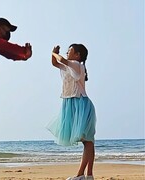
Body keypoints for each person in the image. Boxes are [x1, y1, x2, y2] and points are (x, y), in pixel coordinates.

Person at [47, 44, 96, 180]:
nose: (67, 52)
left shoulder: (76, 64)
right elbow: (55, 63)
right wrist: (53, 54)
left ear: (77, 55)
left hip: (81, 104)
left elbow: (61, 60)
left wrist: (53, 52)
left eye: (70, 50)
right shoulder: (69, 66)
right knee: (88, 141)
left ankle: (83, 175)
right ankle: (88, 175)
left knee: (87, 140)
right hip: (71, 104)